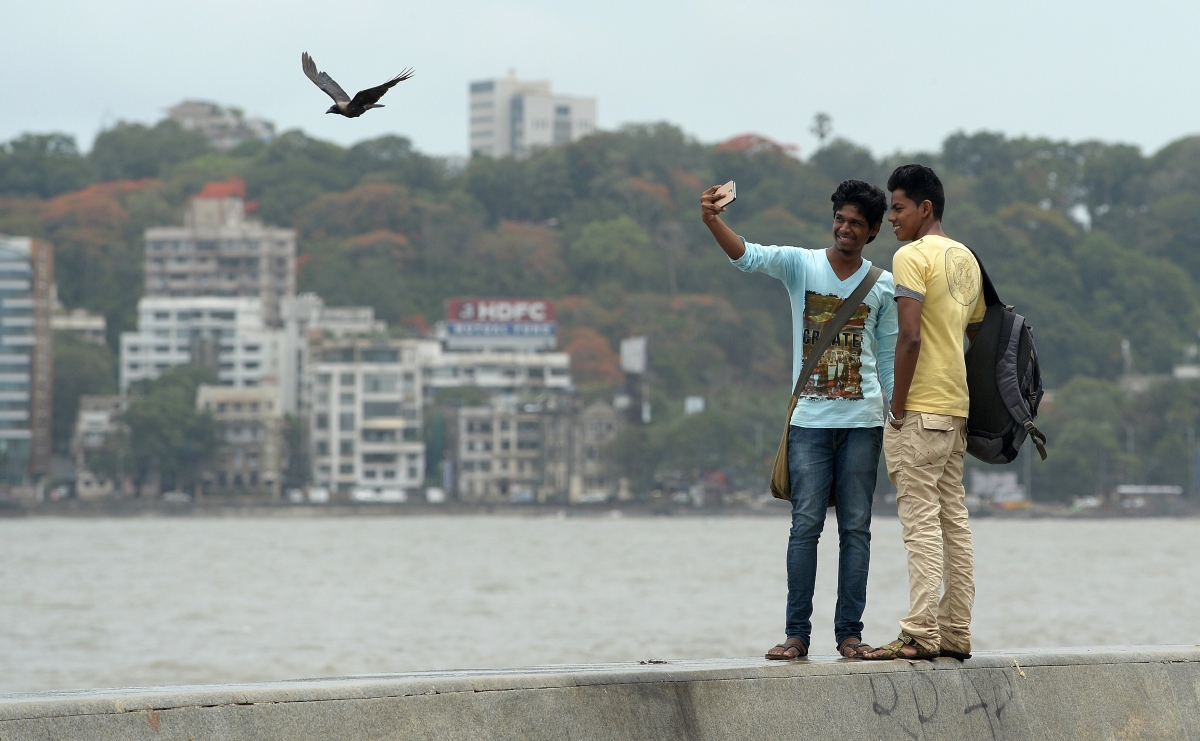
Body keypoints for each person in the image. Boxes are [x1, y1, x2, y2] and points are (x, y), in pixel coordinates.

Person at [700, 179, 898, 659]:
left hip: (863, 423)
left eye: (857, 223)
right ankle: (797, 635)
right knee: (805, 525)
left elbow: (888, 359)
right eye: (841, 219)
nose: (845, 229)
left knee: (856, 528)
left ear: (872, 231)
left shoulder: (883, 285)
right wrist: (712, 220)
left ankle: (849, 633)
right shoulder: (801, 265)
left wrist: (898, 417)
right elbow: (747, 255)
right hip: (808, 421)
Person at [860, 164, 984, 662]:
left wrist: (897, 404)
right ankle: (956, 630)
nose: (891, 218)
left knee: (920, 523)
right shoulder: (966, 259)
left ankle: (919, 632)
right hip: (956, 408)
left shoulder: (912, 257)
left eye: (898, 208)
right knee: (954, 520)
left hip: (920, 407)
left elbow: (908, 336)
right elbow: (973, 331)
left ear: (924, 209)